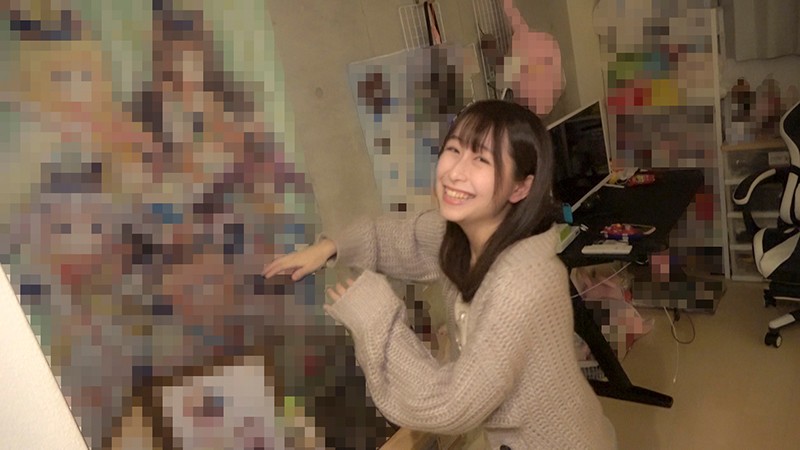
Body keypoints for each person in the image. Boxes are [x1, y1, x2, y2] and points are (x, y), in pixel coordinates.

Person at [262, 100, 616, 449]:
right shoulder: (467, 233)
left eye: (481, 159)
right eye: (454, 150)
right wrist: (330, 247)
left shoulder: (524, 284)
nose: (455, 172)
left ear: (520, 187)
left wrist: (377, 318)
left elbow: (451, 406)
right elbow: (403, 239)